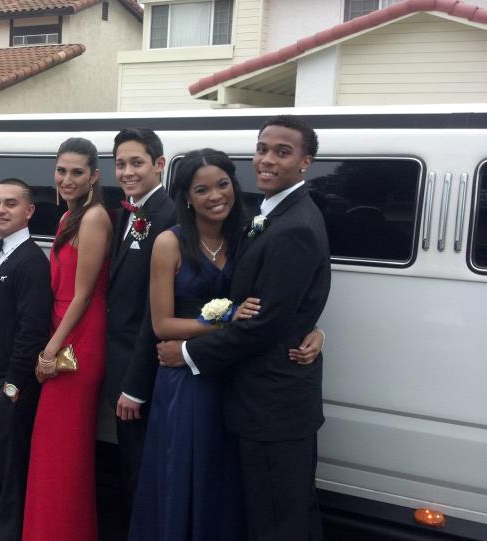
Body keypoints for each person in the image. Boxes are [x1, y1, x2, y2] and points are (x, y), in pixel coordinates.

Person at [130, 149, 325, 540]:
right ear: (186, 196)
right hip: (187, 379)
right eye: (201, 189)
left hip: (236, 377)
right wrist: (222, 320)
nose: (215, 195)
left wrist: (314, 330)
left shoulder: (249, 232)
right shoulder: (170, 243)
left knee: (230, 480)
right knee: (187, 473)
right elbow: (161, 323)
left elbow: (279, 298)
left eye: (222, 184)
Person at [23, 139, 112, 541]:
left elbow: (85, 293)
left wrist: (50, 349)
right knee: (53, 451)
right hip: (63, 332)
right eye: (61, 171)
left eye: (77, 172)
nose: (67, 179)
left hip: (79, 339)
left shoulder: (94, 218)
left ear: (94, 175)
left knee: (63, 450)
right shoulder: (69, 218)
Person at [0, 178, 52, 541]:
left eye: (10, 204)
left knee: (11, 471)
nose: (0, 210)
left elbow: (32, 329)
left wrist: (13, 384)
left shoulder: (32, 261)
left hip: (7, 383)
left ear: (29, 211)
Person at [103, 128, 176, 522]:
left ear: (159, 165)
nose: (127, 172)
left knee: (143, 468)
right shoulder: (130, 213)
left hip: (142, 371)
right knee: (129, 464)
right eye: (120, 164)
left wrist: (134, 384)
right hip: (120, 362)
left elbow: (155, 309)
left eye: (137, 162)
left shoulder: (167, 216)